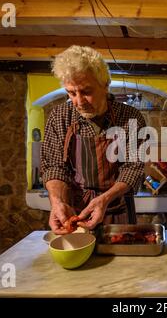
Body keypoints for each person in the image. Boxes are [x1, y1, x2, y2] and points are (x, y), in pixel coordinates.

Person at [41, 45, 146, 234]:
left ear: (105, 85)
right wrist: (57, 203)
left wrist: (104, 199)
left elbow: (133, 168)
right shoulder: (60, 117)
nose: (79, 102)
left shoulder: (130, 117)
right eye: (71, 93)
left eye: (86, 91)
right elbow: (54, 167)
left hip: (118, 210)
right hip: (74, 213)